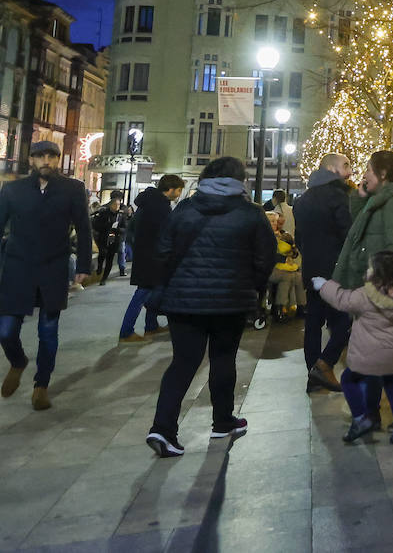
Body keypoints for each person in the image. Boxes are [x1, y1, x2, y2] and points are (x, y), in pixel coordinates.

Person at [146, 157, 277, 457]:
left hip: (184, 301)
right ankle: (222, 421)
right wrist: (251, 286)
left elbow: (163, 251)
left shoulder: (185, 209)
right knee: (223, 359)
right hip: (230, 301)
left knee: (183, 363)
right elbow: (265, 259)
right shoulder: (251, 214)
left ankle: (163, 429)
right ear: (240, 180)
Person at [0, 141, 93, 412]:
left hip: (54, 267)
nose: (47, 161)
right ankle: (18, 362)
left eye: (52, 156)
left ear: (58, 160)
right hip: (17, 268)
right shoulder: (13, 190)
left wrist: (83, 266)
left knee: (48, 332)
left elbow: (84, 229)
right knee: (5, 331)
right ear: (31, 160)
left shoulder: (72, 189)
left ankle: (41, 386)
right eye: (41, 156)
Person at [313, 251, 393, 446]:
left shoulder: (367, 295)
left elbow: (342, 299)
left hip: (369, 356)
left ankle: (362, 418)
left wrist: (323, 285)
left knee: (348, 379)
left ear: (378, 273)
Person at [294, 153, 356, 393]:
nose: (350, 171)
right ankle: (325, 364)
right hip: (335, 271)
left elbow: (300, 238)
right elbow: (347, 234)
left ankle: (313, 374)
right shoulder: (339, 197)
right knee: (342, 322)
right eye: (346, 165)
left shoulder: (304, 198)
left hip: (312, 270)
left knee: (313, 323)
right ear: (331, 169)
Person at [331, 151, 393, 291]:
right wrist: (361, 199)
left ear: (382, 174)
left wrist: (378, 296)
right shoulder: (382, 201)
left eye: (369, 170)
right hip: (368, 289)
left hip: (376, 295)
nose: (364, 175)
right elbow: (365, 231)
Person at [119, 174, 185, 343]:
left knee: (154, 291)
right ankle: (126, 331)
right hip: (152, 257)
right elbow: (164, 234)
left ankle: (151, 325)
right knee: (142, 294)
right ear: (170, 189)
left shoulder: (149, 203)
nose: (178, 194)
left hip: (145, 254)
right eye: (178, 190)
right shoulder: (160, 207)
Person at [266, 212, 305, 320]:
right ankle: (280, 308)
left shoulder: (284, 234)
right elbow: (267, 255)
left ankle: (302, 307)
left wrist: (292, 253)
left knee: (299, 277)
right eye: (272, 221)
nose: (275, 223)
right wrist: (284, 258)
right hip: (269, 268)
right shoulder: (264, 236)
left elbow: (294, 251)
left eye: (275, 221)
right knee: (287, 277)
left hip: (284, 268)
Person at [92, 190, 128, 283]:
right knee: (102, 254)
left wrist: (118, 230)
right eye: (115, 205)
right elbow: (96, 225)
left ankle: (104, 278)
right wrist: (106, 225)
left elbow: (125, 227)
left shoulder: (121, 215)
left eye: (118, 205)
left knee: (110, 258)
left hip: (115, 238)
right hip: (104, 237)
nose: (117, 207)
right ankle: (99, 268)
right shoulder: (104, 212)